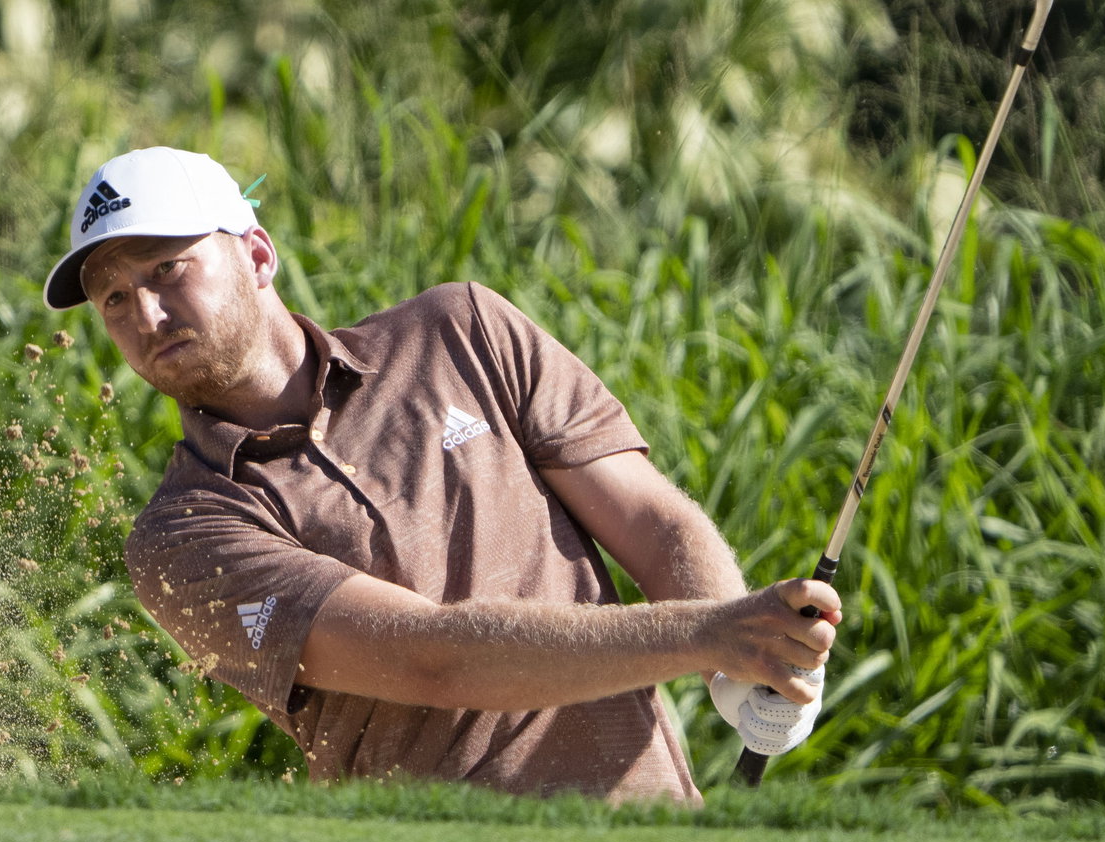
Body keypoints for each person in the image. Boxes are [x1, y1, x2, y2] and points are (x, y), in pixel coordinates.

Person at [43, 146, 839, 803]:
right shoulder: (183, 535)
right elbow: (433, 656)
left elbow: (652, 518)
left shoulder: (463, 329)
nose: (143, 316)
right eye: (114, 299)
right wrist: (709, 634)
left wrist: (744, 663)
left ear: (254, 254)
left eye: (166, 271)